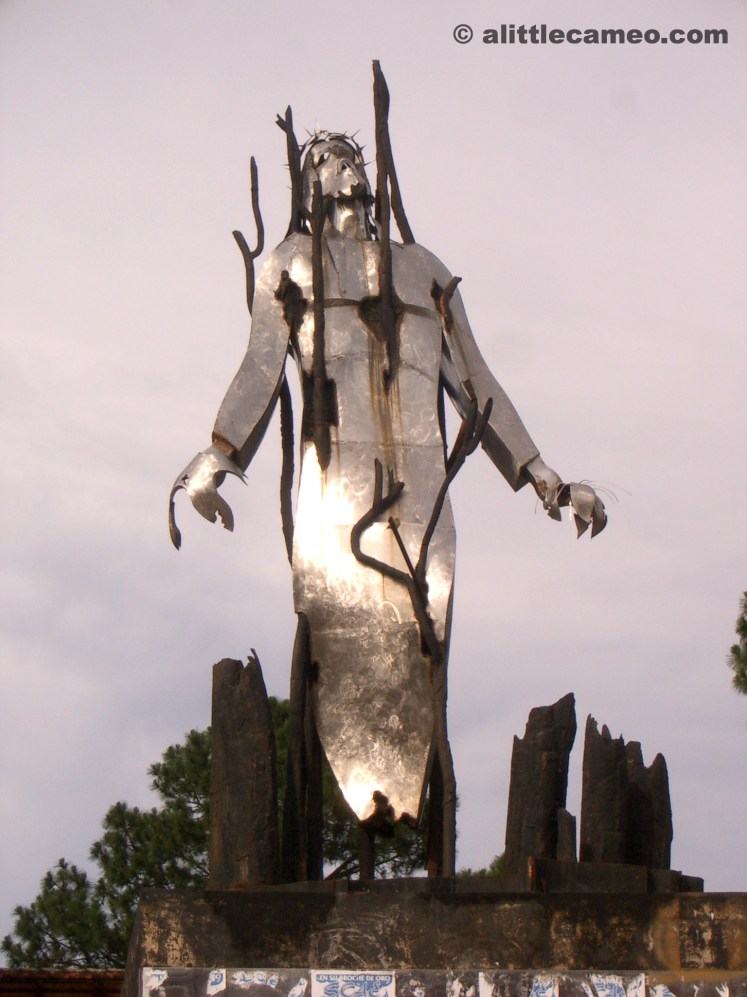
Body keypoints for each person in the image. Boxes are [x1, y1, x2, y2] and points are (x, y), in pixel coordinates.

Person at [170, 132, 605, 830]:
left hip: (422, 491)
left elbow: (475, 381)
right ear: (308, 182)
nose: (345, 165)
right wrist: (215, 453)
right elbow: (258, 367)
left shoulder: (421, 271)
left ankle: (419, 818)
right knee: (336, 648)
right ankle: (349, 808)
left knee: (421, 649)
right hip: (332, 491)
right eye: (327, 158)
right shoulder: (291, 267)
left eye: (352, 154)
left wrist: (543, 478)